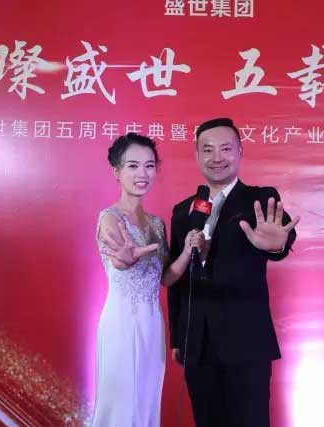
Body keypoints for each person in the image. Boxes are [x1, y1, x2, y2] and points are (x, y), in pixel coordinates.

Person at [167, 118, 300, 427]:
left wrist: (278, 245)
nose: (217, 158)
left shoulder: (259, 198)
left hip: (245, 342)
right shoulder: (183, 210)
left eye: (225, 149)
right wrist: (177, 336)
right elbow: (178, 277)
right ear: (197, 155)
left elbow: (280, 234)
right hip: (197, 342)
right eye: (208, 150)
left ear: (240, 152)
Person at [91, 133, 204, 427]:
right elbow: (119, 260)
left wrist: (187, 250)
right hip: (121, 323)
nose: (142, 173)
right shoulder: (110, 218)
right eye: (133, 166)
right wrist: (125, 261)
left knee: (146, 400)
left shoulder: (156, 223)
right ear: (116, 171)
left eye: (149, 165)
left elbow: (165, 278)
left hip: (152, 324)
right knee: (121, 404)